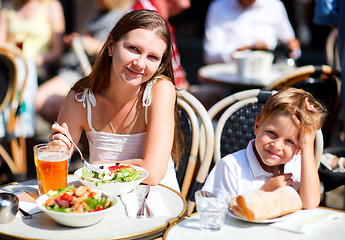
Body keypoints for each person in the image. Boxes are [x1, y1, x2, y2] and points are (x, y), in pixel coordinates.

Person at [49, 9, 181, 192]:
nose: (140, 64)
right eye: (134, 49)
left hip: (156, 202)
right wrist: (57, 148)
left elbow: (152, 172)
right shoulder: (79, 99)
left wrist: (98, 167)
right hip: (103, 201)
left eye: (153, 57)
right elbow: (57, 167)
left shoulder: (160, 90)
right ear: (111, 45)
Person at [202, 88, 327, 209]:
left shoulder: (297, 165)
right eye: (272, 133)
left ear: (299, 148)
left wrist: (307, 146)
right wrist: (264, 192)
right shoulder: (230, 167)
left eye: (289, 141)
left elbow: (310, 203)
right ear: (257, 125)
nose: (277, 146)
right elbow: (216, 213)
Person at [35, 0, 135, 123]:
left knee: (69, 106)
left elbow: (124, 52)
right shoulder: (100, 13)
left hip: (100, 74)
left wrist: (93, 46)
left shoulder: (127, 14)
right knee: (41, 100)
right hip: (80, 68)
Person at [203, 0, 301, 64]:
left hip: (270, 78)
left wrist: (289, 48)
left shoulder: (275, 6)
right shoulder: (218, 7)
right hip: (229, 80)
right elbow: (210, 55)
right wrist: (247, 49)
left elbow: (294, 49)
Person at [0, 0, 65, 82]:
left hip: (39, 68)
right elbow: (1, 44)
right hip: (11, 65)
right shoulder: (8, 6)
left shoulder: (51, 6)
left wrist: (32, 61)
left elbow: (57, 51)